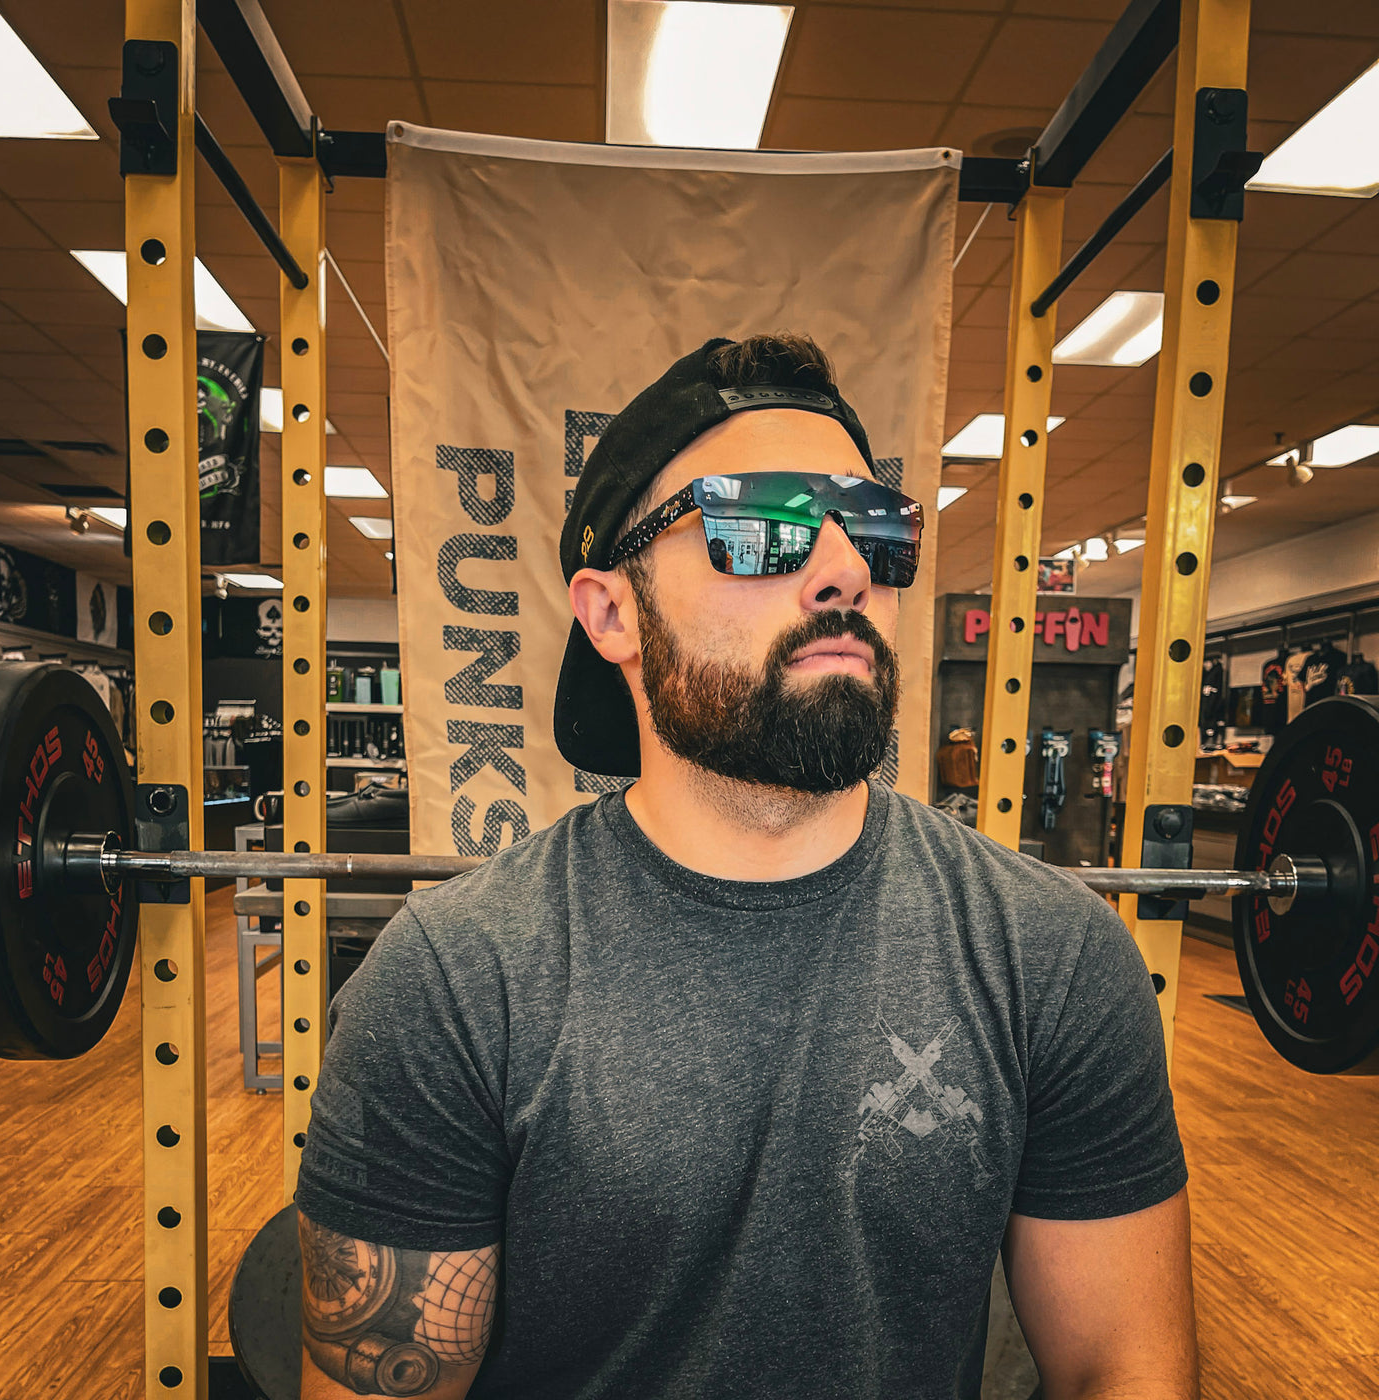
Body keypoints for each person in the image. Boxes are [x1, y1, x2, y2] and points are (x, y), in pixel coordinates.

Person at [295, 333, 1196, 1400]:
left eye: (873, 524)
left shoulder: (1049, 953)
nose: (843, 569)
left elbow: (1121, 1363)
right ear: (611, 612)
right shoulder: (453, 981)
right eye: (760, 522)